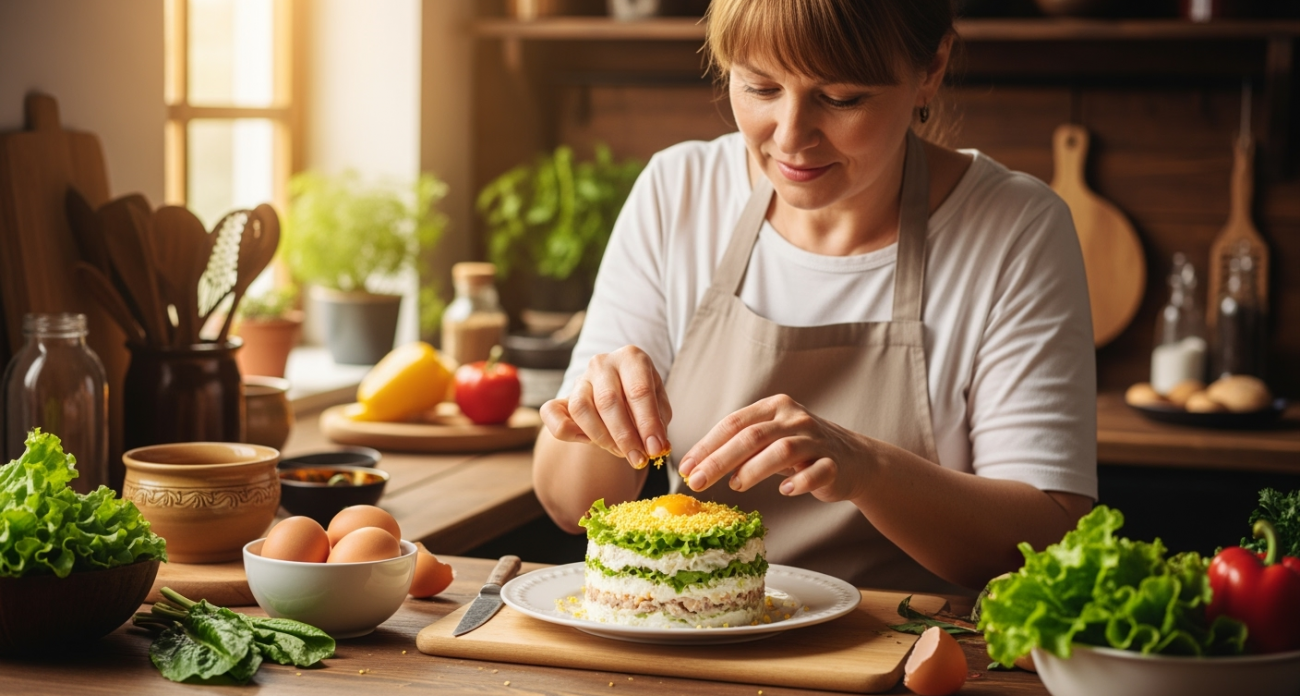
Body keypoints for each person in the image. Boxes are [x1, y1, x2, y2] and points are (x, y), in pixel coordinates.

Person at [532, 0, 1096, 596]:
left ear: (930, 70)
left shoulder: (1016, 229)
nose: (791, 136)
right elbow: (570, 505)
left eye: (841, 97)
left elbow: (1050, 539)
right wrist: (599, 418)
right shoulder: (679, 194)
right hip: (696, 645)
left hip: (914, 654)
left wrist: (867, 470)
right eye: (759, 87)